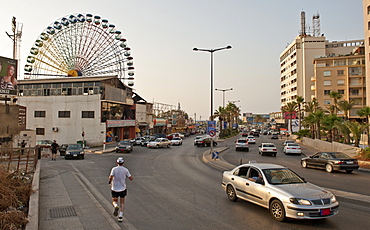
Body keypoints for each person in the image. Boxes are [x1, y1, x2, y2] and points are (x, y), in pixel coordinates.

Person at [108, 157, 133, 222]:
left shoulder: (114, 169)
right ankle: (120, 216)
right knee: (122, 202)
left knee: (114, 200)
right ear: (123, 163)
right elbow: (130, 178)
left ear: (117, 162)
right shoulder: (125, 170)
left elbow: (110, 177)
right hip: (122, 188)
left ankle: (116, 206)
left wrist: (110, 181)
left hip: (114, 188)